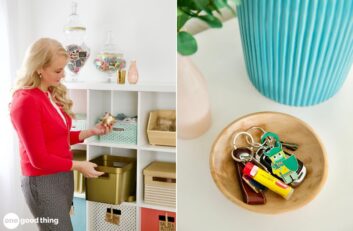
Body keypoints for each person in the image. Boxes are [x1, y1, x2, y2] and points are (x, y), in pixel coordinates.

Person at [9, 38, 112, 230]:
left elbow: (57, 138)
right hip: (43, 182)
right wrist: (79, 165)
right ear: (39, 68)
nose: (63, 75)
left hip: (62, 176)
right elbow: (39, 159)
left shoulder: (49, 94)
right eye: (58, 70)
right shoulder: (26, 102)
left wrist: (91, 131)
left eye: (63, 68)